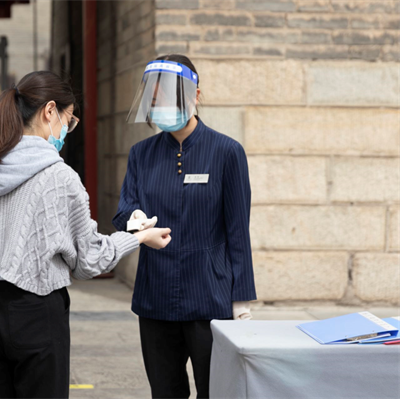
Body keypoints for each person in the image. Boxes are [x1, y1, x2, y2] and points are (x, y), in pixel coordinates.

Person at [0, 70, 172, 399]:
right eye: (69, 119)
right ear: (49, 111)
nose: (67, 129)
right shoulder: (60, 177)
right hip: (35, 311)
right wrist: (138, 238)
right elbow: (89, 260)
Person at [113, 54, 257, 399]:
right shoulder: (141, 153)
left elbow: (238, 230)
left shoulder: (226, 152)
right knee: (165, 391)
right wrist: (133, 220)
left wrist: (242, 299)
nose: (161, 105)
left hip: (210, 296)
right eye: (155, 98)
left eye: (170, 97)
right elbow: (123, 211)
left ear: (195, 95)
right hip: (155, 295)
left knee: (216, 389)